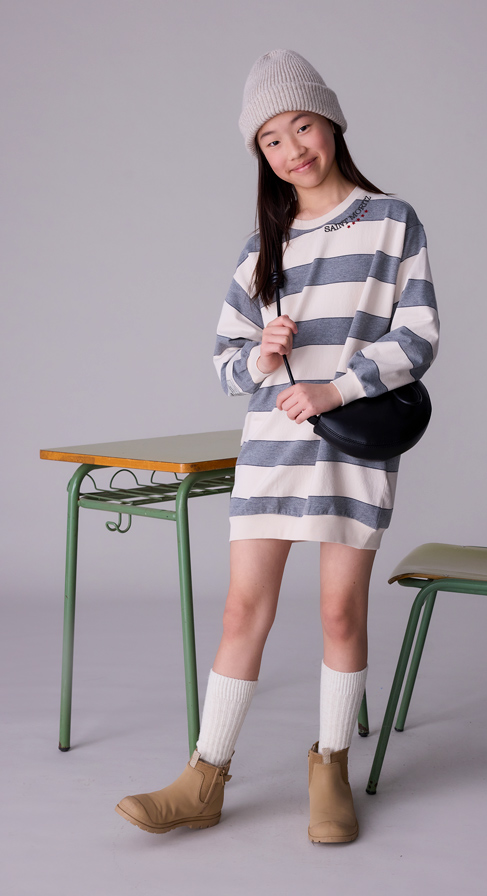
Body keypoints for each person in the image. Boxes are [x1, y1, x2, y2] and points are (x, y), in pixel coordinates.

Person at [116, 49, 439, 844]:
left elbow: (419, 335)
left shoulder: (391, 221)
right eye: (271, 139)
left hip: (352, 445)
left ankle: (330, 768)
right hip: (271, 444)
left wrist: (337, 387)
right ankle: (204, 777)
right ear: (259, 154)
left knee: (339, 611)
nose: (293, 149)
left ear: (331, 122)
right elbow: (227, 366)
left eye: (302, 126)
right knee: (242, 607)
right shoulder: (261, 246)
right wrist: (262, 357)